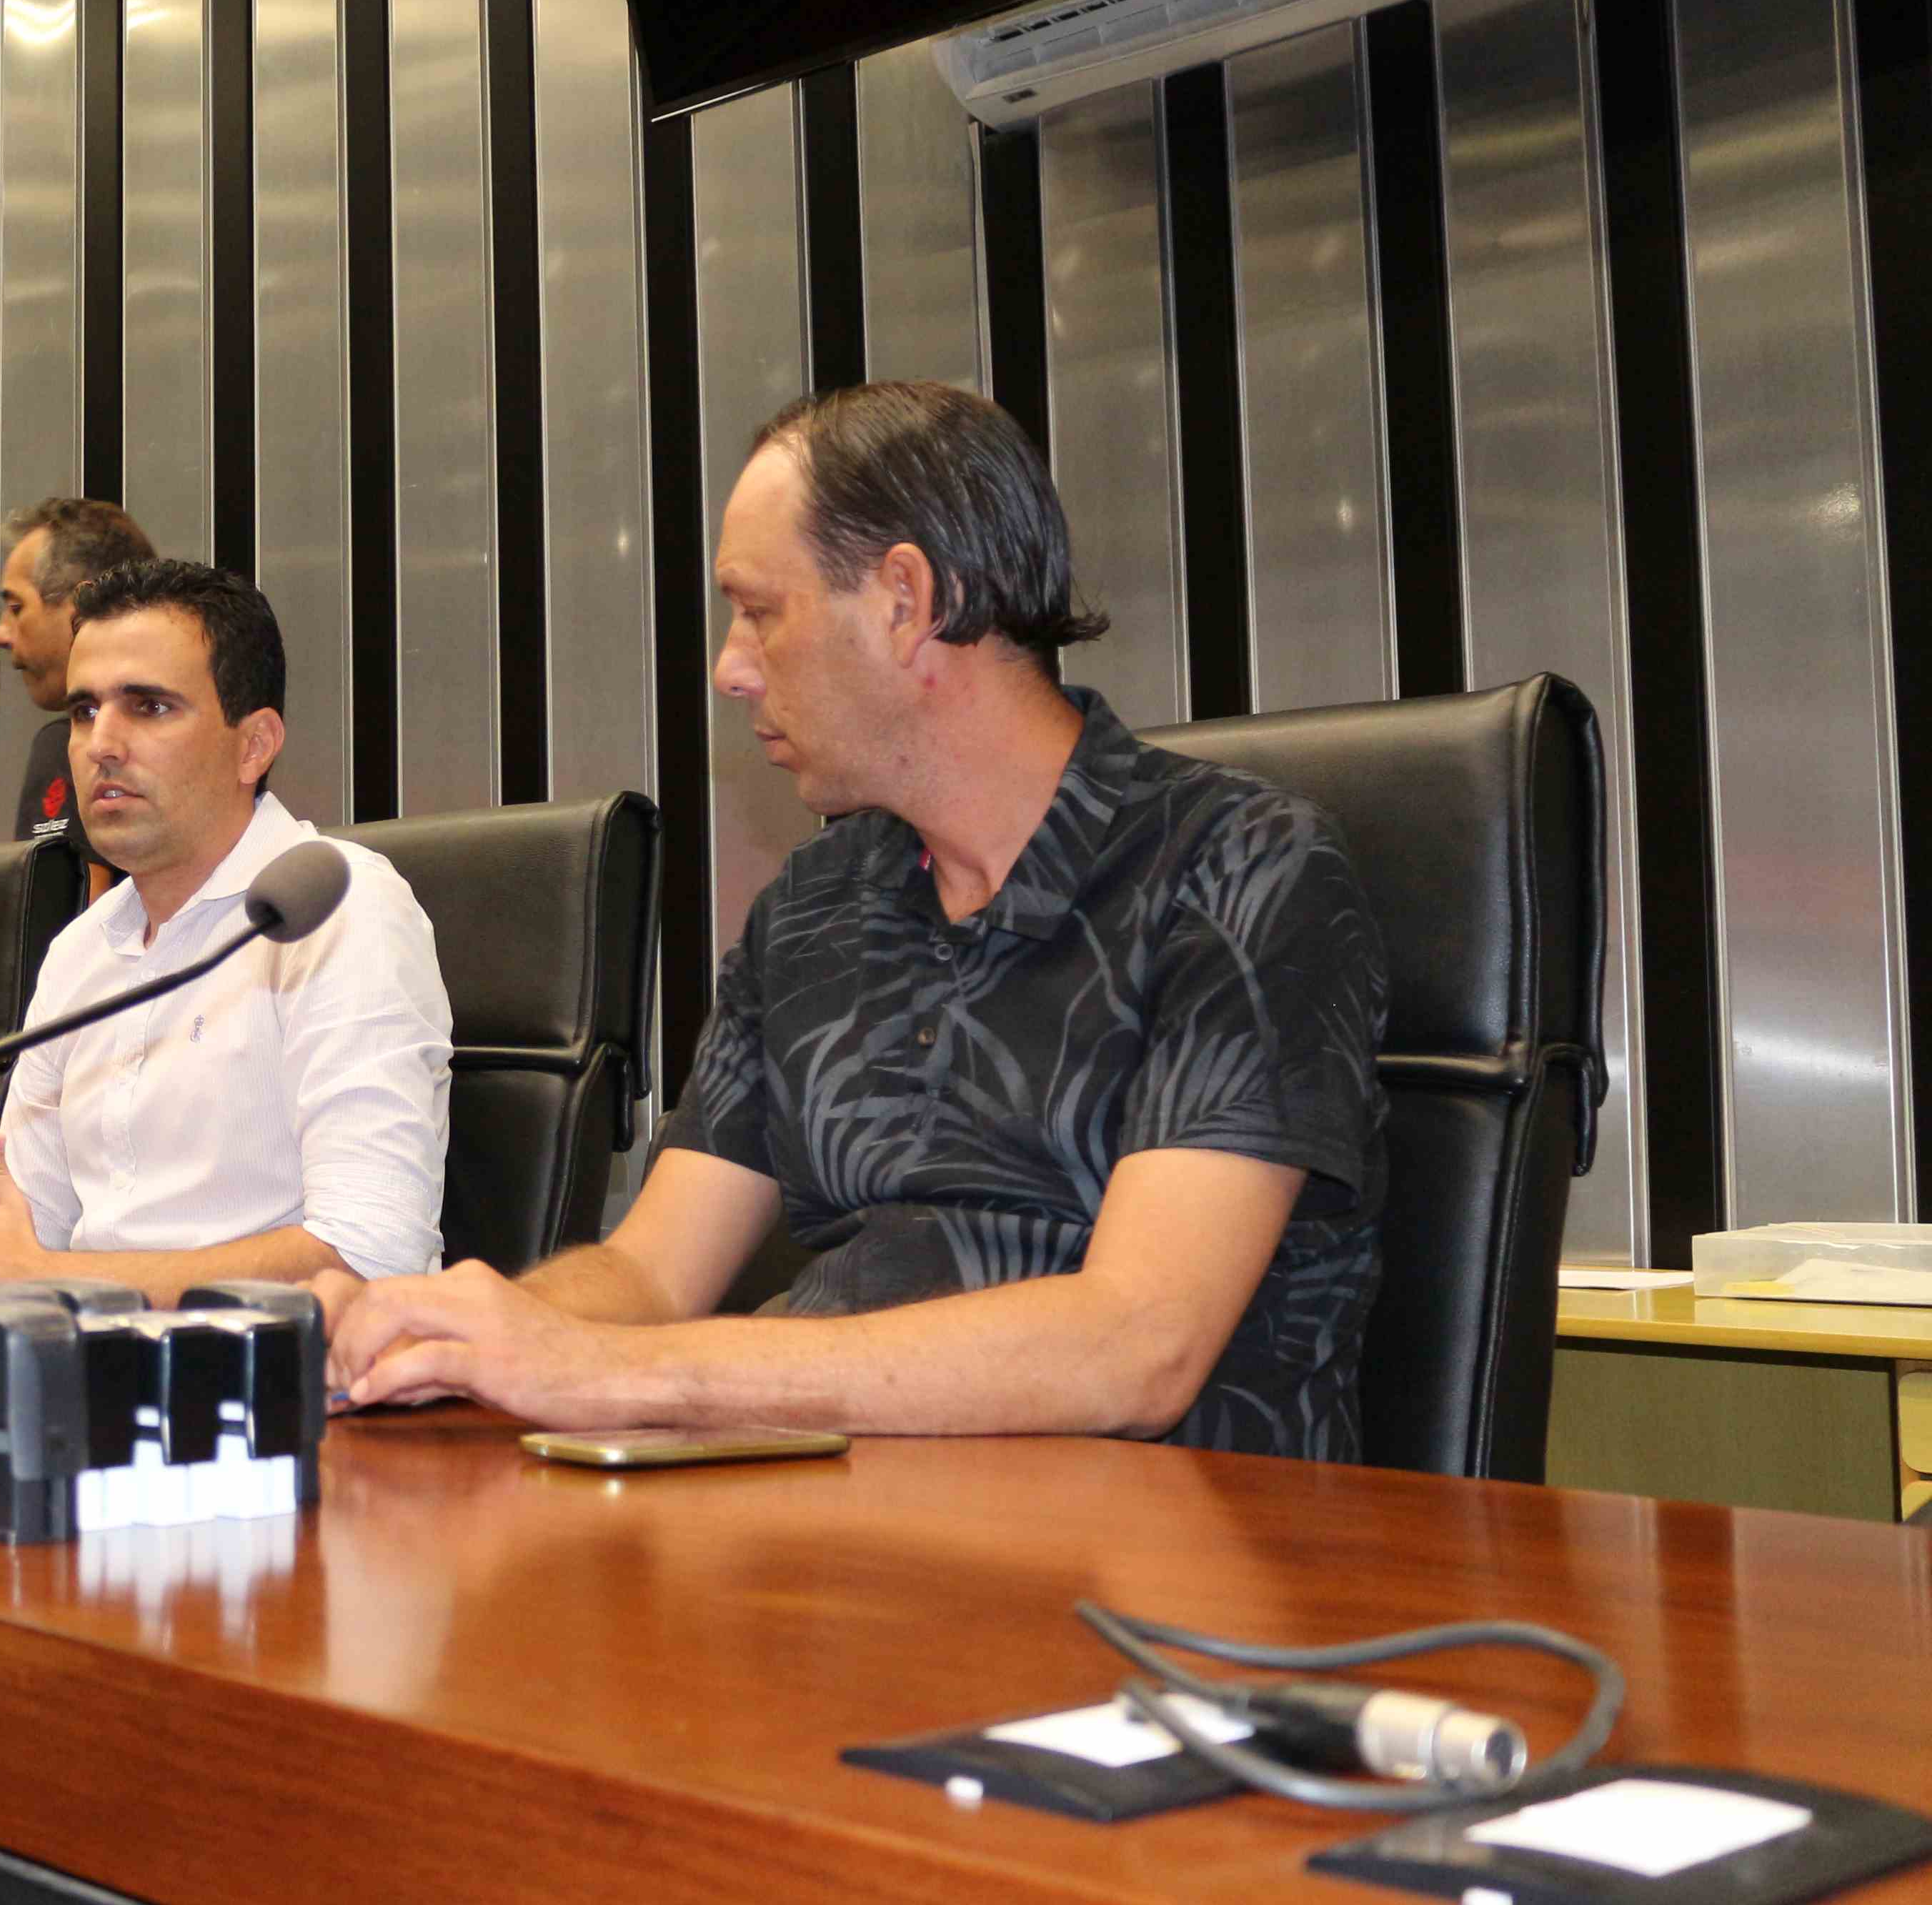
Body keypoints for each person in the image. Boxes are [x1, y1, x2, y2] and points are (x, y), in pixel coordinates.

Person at [318, 382, 1390, 1459]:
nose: (730, 669)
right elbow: (650, 1274)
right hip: (824, 1506)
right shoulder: (811, 907)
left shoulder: (1241, 866)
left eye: (760, 611)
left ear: (904, 601)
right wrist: (444, 1333)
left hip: (1153, 1534)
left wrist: (617, 1375)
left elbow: (1136, 1346)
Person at [0, 558, 454, 1306]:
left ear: (255, 745)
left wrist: (43, 1276)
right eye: (84, 711)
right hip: (78, 1356)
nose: (101, 744)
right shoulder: (82, 951)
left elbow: (371, 1253)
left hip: (276, 1369)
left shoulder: (339, 911)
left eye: (148, 707)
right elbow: (23, 1225)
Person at [0, 495, 156, 881]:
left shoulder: (67, 746)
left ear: (85, 607)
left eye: (16, 608)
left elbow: (71, 914)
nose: (1, 634)